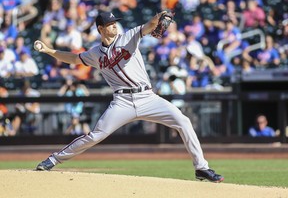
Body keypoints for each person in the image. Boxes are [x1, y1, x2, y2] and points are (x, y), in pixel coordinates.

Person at [33, 11, 224, 183]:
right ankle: (53, 159)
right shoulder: (95, 53)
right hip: (121, 102)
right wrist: (49, 51)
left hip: (147, 97)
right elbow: (74, 59)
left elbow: (148, 26)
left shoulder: (128, 37)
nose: (115, 25)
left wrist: (158, 17)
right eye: (110, 24)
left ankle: (201, 168)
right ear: (100, 29)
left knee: (183, 121)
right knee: (95, 135)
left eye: (115, 22)